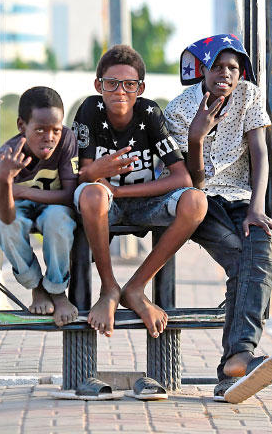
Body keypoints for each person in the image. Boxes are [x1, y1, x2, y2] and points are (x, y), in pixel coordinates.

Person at [164, 34, 272, 403]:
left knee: (262, 253)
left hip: (242, 198)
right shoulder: (179, 110)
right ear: (202, 69)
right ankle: (236, 361)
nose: (226, 74)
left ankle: (236, 363)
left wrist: (257, 207)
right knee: (242, 262)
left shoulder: (249, 95)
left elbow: (260, 153)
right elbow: (191, 181)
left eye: (233, 67)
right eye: (217, 66)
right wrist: (197, 137)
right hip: (197, 199)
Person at [71, 44, 207, 338]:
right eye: (111, 83)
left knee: (196, 202)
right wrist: (99, 171)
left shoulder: (149, 113)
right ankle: (109, 288)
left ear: (140, 88)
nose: (120, 91)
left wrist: (119, 191)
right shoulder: (90, 110)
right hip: (103, 205)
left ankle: (135, 287)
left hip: (144, 202)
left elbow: (182, 177)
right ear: (98, 85)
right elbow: (82, 175)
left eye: (129, 84)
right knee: (94, 194)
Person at [0, 86, 79, 327]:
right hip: (19, 209)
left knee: (58, 220)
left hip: (54, 205)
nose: (49, 137)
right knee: (3, 227)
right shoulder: (7, 157)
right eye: (40, 129)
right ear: (22, 126)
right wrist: (5, 182)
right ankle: (37, 286)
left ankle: (57, 290)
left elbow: (69, 195)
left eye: (55, 130)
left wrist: (22, 191)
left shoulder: (66, 140)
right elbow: (6, 218)